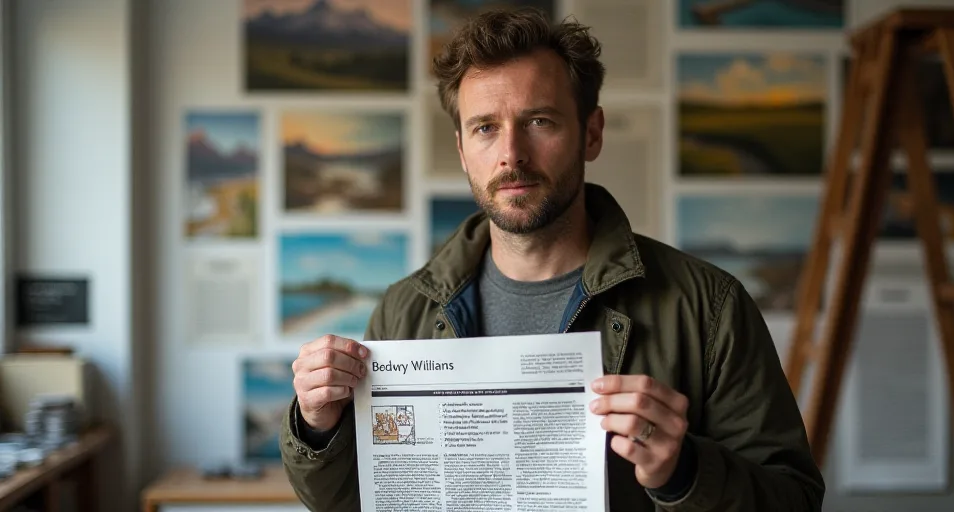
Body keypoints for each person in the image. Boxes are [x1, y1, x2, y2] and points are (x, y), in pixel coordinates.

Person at [279, 7, 825, 511]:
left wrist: (685, 472)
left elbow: (795, 500)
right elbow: (354, 501)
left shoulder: (710, 307)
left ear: (591, 133)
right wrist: (316, 426)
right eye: (486, 127)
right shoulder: (404, 311)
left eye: (539, 121)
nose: (511, 155)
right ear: (463, 150)